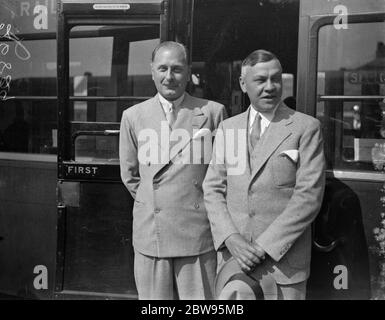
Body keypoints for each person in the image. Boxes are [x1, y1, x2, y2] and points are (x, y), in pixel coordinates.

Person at [203, 49, 325, 300]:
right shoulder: (229, 128)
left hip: (284, 265)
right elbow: (213, 188)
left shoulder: (305, 127)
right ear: (243, 84)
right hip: (234, 263)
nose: (270, 87)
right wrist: (231, 238)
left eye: (276, 79)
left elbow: (308, 197)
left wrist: (263, 246)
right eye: (260, 80)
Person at [119, 41, 227, 299]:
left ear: (188, 71)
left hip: (198, 235)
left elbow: (224, 175)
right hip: (152, 234)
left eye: (177, 69)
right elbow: (130, 175)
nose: (170, 77)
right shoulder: (133, 116)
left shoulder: (213, 112)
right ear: (152, 71)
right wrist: (157, 200)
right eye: (163, 68)